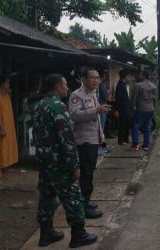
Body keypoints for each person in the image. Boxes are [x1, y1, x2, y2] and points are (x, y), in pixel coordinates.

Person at [31, 74, 98, 248]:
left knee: (47, 196)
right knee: (72, 197)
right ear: (57, 87)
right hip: (60, 163)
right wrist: (74, 165)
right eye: (65, 85)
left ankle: (46, 234)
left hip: (45, 162)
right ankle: (78, 235)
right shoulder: (58, 107)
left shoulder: (38, 106)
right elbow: (67, 139)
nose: (67, 88)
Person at [69, 68, 110, 219]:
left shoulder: (93, 94)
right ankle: (84, 207)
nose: (96, 80)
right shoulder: (76, 95)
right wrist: (96, 110)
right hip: (84, 140)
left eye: (98, 78)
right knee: (86, 175)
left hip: (93, 139)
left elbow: (96, 116)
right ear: (84, 79)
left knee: (90, 173)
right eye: (92, 78)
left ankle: (86, 200)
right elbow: (73, 116)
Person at [0, 75, 18, 178]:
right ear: (2, 84)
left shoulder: (6, 96)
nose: (9, 84)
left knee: (8, 147)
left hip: (8, 125)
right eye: (7, 82)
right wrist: (1, 128)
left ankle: (6, 167)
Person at [131, 71, 156, 151]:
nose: (139, 76)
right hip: (150, 108)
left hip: (141, 109)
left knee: (135, 126)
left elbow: (133, 98)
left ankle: (135, 144)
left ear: (144, 76)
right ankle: (146, 145)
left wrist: (132, 108)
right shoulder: (152, 85)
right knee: (147, 126)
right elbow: (154, 97)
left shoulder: (137, 85)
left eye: (140, 75)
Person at [114, 69, 132, 145]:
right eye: (129, 76)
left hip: (127, 108)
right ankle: (120, 141)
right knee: (122, 125)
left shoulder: (125, 85)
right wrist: (116, 110)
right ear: (125, 77)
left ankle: (126, 138)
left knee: (127, 124)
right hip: (122, 108)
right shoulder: (119, 86)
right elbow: (118, 99)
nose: (130, 78)